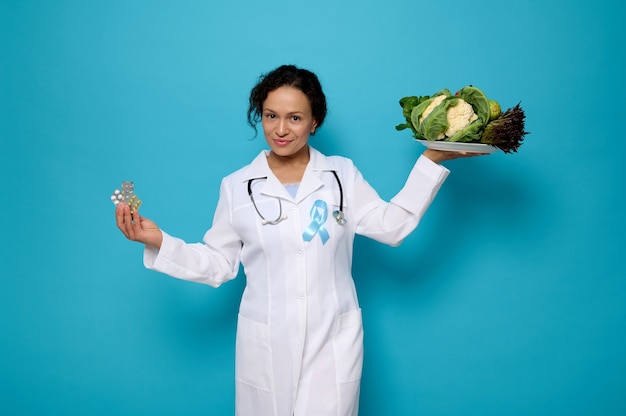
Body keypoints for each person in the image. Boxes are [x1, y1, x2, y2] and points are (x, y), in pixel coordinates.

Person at [115, 64, 484, 416]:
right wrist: (160, 241)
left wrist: (432, 159)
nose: (281, 129)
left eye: (295, 117)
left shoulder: (340, 175)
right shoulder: (237, 186)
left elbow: (391, 227)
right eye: (271, 115)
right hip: (267, 342)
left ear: (314, 121)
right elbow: (218, 264)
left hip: (332, 339)